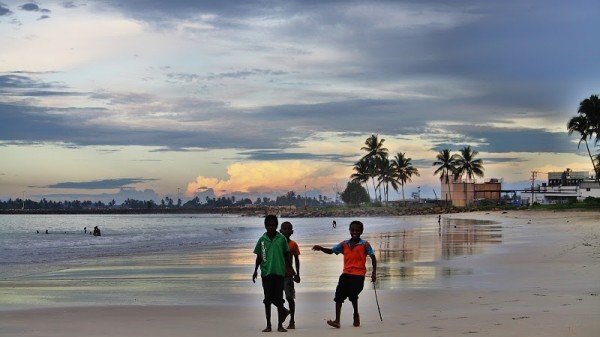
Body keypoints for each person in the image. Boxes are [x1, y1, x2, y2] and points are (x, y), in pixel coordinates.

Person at [312, 220, 377, 329]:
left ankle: (356, 314)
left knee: (352, 294)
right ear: (349, 231)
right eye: (352, 230)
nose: (354, 232)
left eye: (357, 230)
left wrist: (374, 272)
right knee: (338, 296)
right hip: (346, 274)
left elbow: (373, 257)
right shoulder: (344, 244)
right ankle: (337, 320)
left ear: (361, 231)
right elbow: (331, 251)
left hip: (359, 275)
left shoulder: (365, 244)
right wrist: (321, 248)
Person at [252, 214, 290, 332]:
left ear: (276, 226)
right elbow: (259, 256)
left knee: (279, 299)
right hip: (266, 273)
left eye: (273, 225)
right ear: (265, 226)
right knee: (267, 299)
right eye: (269, 225)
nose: (271, 227)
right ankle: (268, 325)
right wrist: (255, 271)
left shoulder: (282, 239)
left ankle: (280, 325)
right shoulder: (262, 240)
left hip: (279, 272)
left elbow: (287, 253)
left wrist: (289, 268)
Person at [279, 221, 300, 329]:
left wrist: (297, 274)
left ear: (292, 231)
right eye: (284, 229)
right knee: (277, 298)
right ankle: (284, 313)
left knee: (289, 298)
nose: (287, 231)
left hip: (288, 275)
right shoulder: (277, 243)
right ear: (280, 231)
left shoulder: (293, 244)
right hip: (277, 275)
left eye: (289, 229)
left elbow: (297, 260)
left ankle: (292, 321)